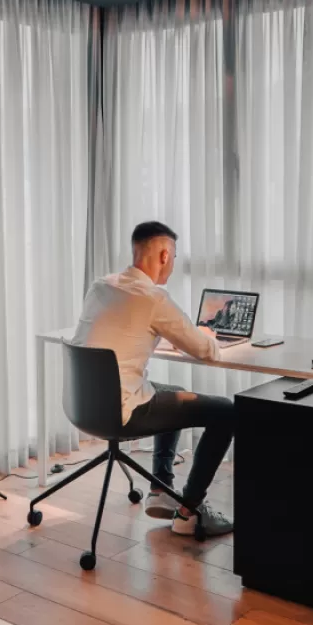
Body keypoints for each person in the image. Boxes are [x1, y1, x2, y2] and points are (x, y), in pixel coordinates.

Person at [72, 221, 233, 537]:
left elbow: (125, 330)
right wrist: (206, 334)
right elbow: (207, 351)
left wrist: (168, 334)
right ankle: (189, 512)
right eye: (174, 257)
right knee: (226, 411)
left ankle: (160, 489)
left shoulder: (100, 286)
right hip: (123, 410)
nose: (172, 266)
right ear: (164, 255)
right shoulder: (153, 298)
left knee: (175, 392)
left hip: (82, 406)